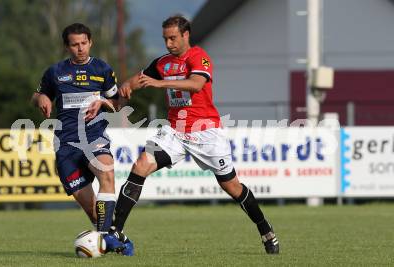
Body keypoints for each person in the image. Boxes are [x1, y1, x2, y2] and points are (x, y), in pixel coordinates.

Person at [110, 15, 279, 254]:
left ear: (186, 35)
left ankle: (266, 230)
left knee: (232, 187)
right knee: (140, 165)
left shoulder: (199, 57)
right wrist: (123, 90)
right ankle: (116, 231)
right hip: (174, 132)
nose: (168, 44)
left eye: (173, 38)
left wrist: (160, 84)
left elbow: (196, 84)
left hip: (206, 132)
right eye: (165, 39)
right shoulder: (162, 63)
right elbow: (137, 81)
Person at [31, 23, 126, 253]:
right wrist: (42, 98)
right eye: (74, 44)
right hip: (66, 144)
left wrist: (103, 102)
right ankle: (115, 240)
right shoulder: (55, 72)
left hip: (94, 136)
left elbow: (118, 102)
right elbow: (37, 94)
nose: (80, 48)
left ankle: (104, 238)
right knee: (93, 211)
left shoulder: (103, 69)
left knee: (107, 172)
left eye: (84, 43)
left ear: (90, 42)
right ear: (67, 46)